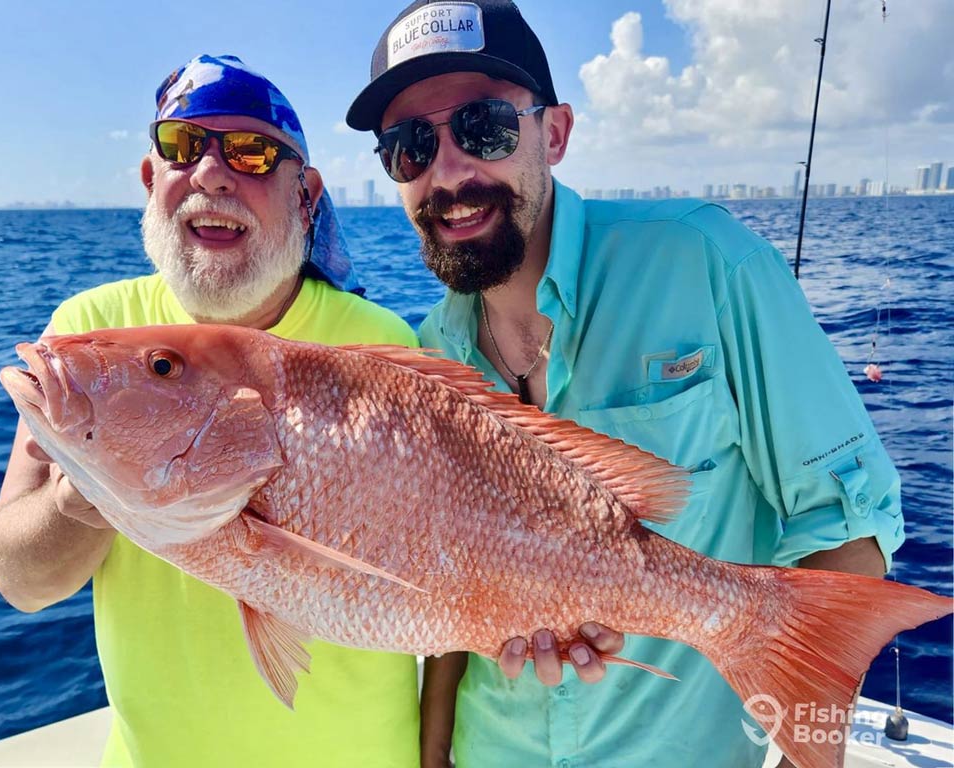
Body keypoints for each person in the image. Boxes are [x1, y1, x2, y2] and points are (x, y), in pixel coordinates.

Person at [345, 2, 905, 766]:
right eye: (410, 147)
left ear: (557, 132)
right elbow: (445, 598)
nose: (448, 173)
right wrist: (435, 754)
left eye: (484, 128)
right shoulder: (430, 352)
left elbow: (848, 521)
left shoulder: (710, 264)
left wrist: (806, 744)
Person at [0, 55, 420, 767]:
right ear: (153, 180)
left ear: (306, 196)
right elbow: (21, 583)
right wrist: (86, 492)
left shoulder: (380, 346)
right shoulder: (88, 335)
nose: (213, 174)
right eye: (184, 147)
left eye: (251, 152)